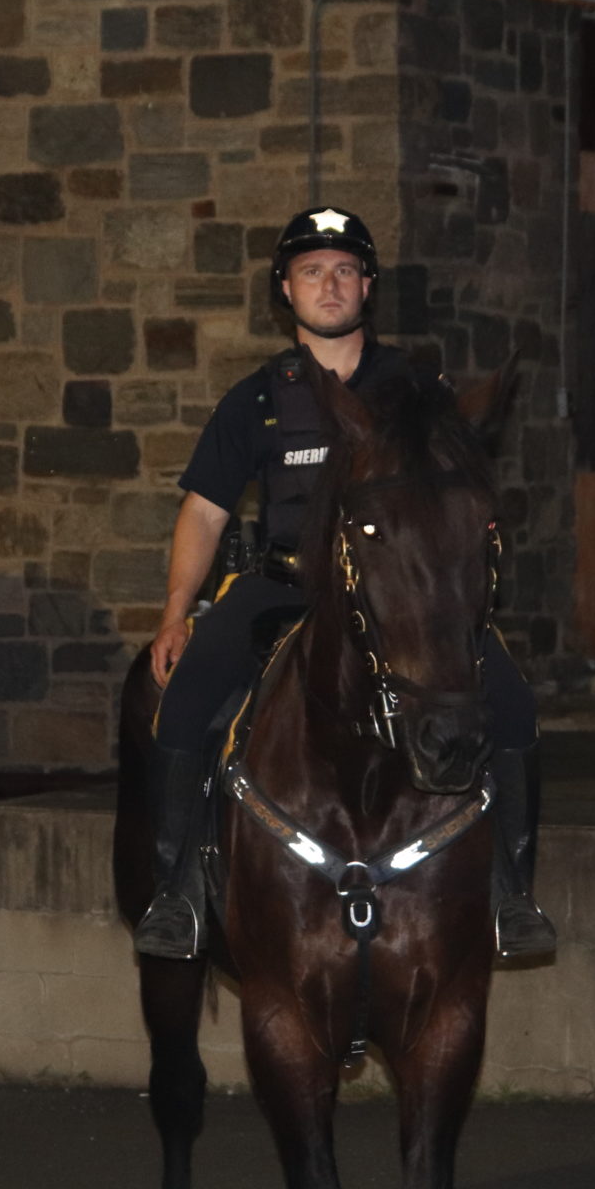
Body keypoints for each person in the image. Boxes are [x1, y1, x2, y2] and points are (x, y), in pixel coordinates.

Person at [130, 207, 557, 962]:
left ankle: (510, 894)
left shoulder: (417, 389)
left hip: (404, 594)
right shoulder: (256, 398)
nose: (329, 285)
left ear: (367, 286)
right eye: (311, 272)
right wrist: (174, 611)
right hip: (283, 588)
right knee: (187, 699)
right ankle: (177, 893)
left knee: (514, 708)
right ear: (285, 290)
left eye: (344, 271)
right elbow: (203, 512)